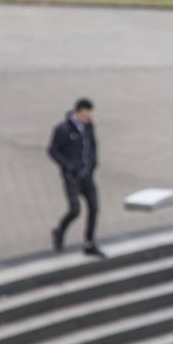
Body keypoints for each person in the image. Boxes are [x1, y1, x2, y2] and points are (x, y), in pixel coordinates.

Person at [47, 98, 104, 258]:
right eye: (85, 115)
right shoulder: (63, 129)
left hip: (87, 175)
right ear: (77, 112)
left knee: (94, 208)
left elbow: (93, 146)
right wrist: (67, 166)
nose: (87, 118)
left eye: (89, 115)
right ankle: (59, 230)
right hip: (72, 177)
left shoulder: (89, 127)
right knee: (75, 209)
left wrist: (93, 164)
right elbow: (53, 150)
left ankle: (89, 242)